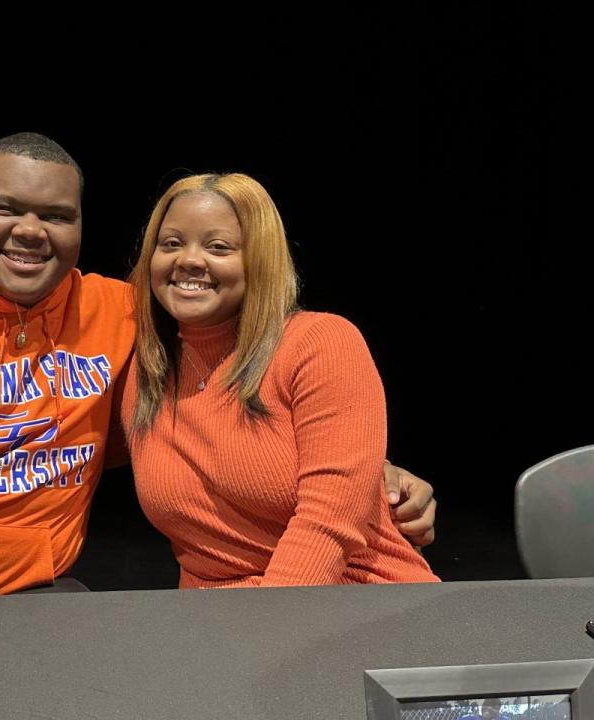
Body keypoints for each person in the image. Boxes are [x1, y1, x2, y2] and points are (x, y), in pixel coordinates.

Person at [0, 133, 436, 605]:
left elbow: (249, 404)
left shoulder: (120, 317)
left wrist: (365, 464)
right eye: (6, 208)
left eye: (56, 216)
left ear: (80, 226)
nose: (31, 231)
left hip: (38, 596)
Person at [123, 172, 439, 588]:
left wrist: (265, 632)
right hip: (216, 619)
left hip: (350, 600)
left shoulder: (320, 342)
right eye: (171, 244)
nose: (189, 260)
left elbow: (329, 522)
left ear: (260, 258)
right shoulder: (145, 370)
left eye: (218, 247)